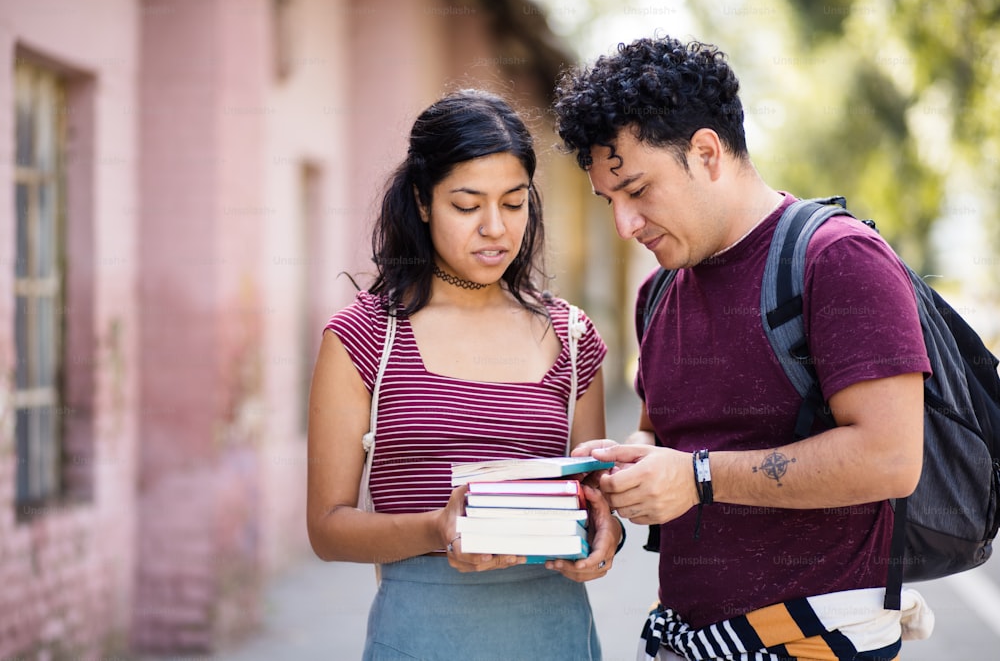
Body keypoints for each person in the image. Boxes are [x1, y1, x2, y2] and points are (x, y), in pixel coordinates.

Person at [553, 36, 933, 660]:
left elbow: (890, 458)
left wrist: (698, 478)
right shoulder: (657, 292)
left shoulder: (836, 260)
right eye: (610, 201)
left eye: (639, 190)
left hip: (818, 639)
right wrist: (629, 465)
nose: (624, 224)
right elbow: (662, 434)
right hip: (684, 636)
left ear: (705, 153)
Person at [306, 89, 621, 660]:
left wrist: (607, 537)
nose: (495, 228)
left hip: (553, 630)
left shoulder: (573, 340)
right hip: (421, 632)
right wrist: (436, 528)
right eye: (467, 205)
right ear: (423, 203)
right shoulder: (363, 339)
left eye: (514, 202)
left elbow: (594, 504)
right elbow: (327, 529)